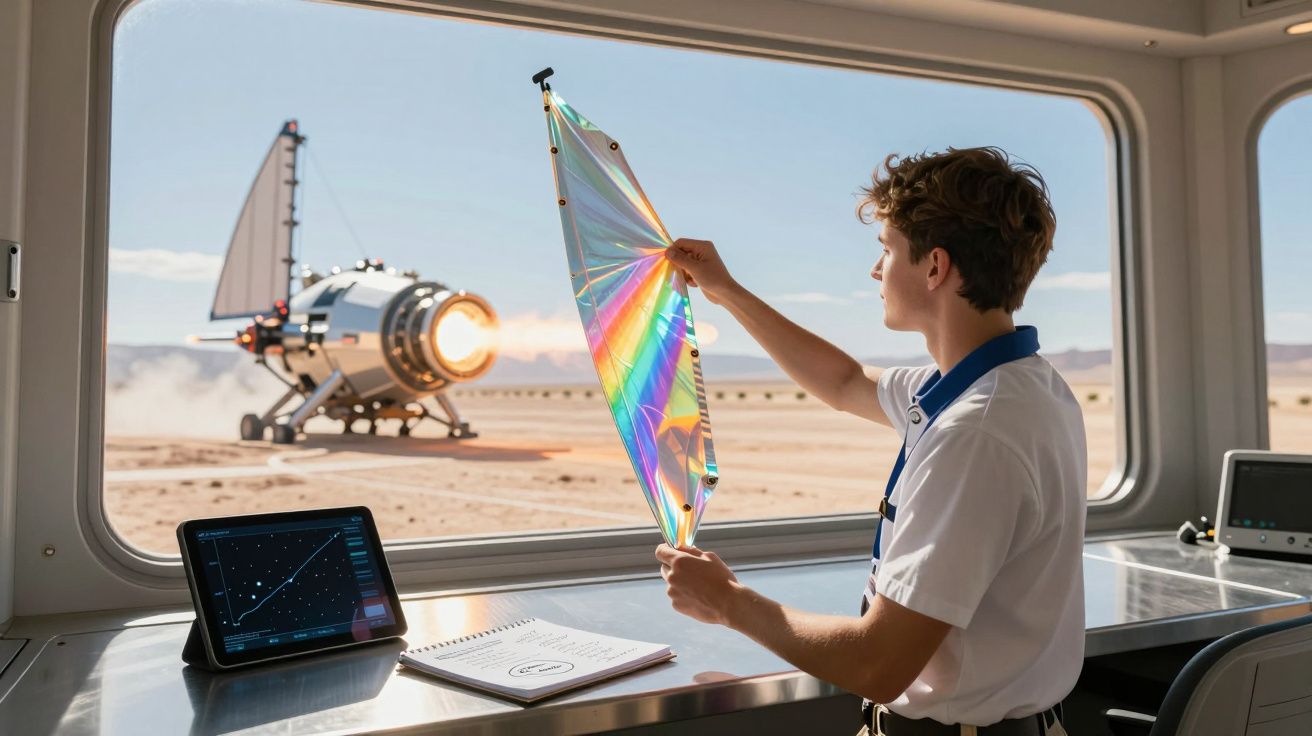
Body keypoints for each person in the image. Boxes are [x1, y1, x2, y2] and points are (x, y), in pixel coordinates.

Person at [656, 147, 1085, 736]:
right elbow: (845, 381)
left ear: (935, 268)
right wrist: (725, 290)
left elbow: (878, 663)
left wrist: (727, 601)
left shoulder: (974, 435)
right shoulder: (1012, 384)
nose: (876, 271)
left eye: (886, 249)